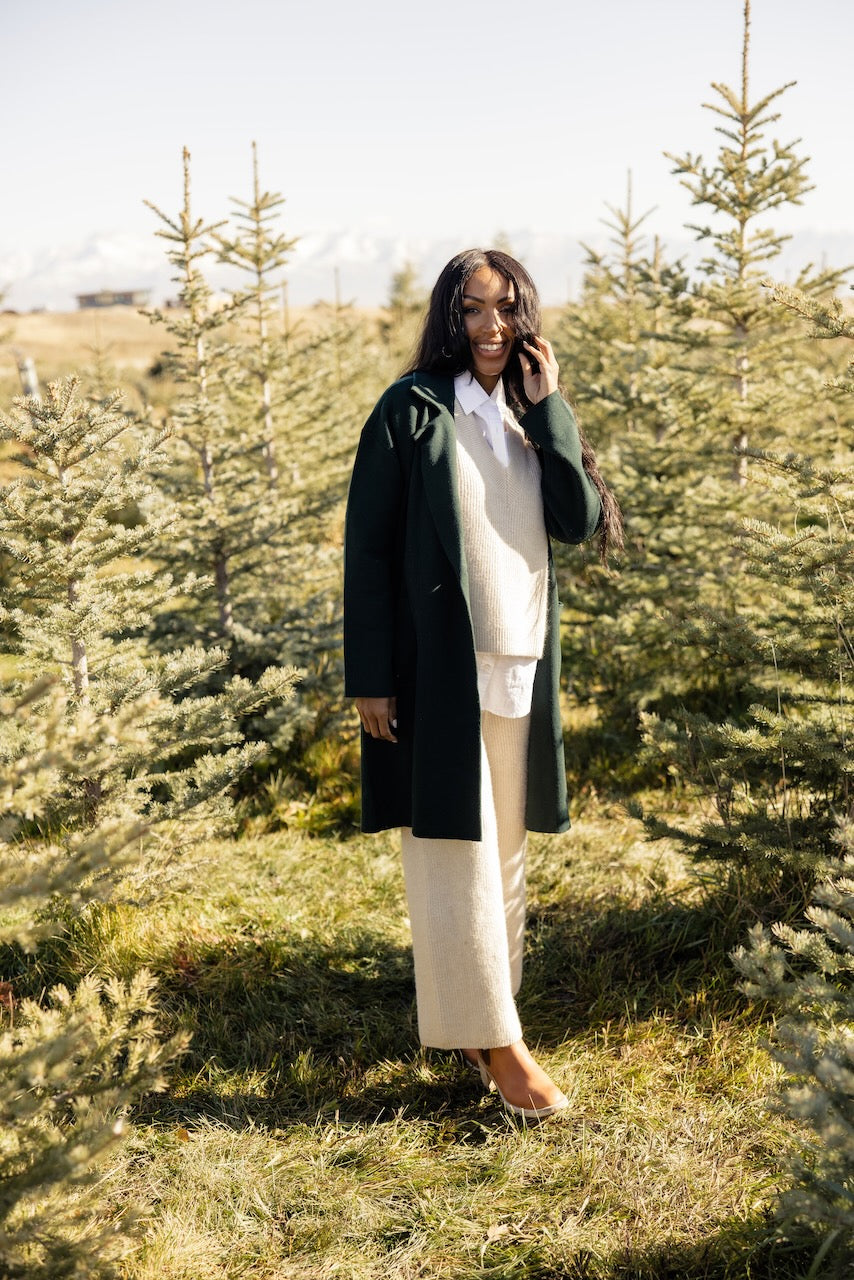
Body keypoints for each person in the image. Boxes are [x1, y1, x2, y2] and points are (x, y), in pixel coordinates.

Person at [343, 249, 621, 1119]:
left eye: (505, 309)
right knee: (449, 856)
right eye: (472, 310)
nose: (491, 327)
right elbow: (370, 549)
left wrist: (553, 414)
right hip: (437, 670)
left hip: (523, 660)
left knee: (502, 852)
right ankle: (500, 1048)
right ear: (448, 318)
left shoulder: (532, 412)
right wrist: (371, 676)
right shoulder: (412, 410)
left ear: (526, 315)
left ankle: (488, 1017)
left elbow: (576, 523)